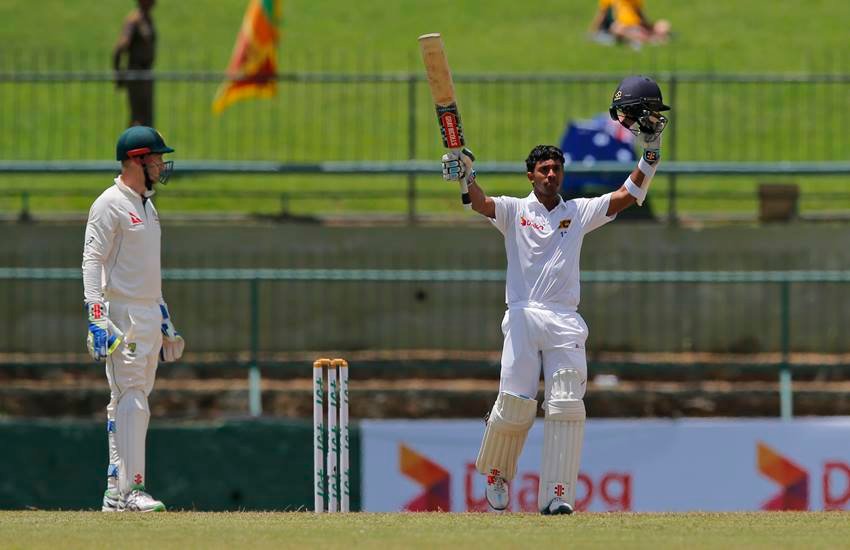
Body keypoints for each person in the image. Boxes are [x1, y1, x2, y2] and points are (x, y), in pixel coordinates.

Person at [441, 76, 669, 515]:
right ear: (531, 176)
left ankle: (556, 496)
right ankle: (498, 474)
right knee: (515, 404)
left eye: (556, 169)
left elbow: (630, 194)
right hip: (524, 318)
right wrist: (464, 176)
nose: (550, 174)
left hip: (564, 320)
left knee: (566, 403)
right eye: (543, 169)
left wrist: (651, 155)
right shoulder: (513, 210)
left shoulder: (578, 213)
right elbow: (480, 202)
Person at [83, 125, 185, 512]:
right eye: (155, 157)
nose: (161, 164)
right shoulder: (109, 203)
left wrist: (164, 319)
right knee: (133, 400)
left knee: (125, 402)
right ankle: (133, 490)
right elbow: (92, 261)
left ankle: (114, 491)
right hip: (121, 313)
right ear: (134, 161)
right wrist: (96, 317)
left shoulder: (148, 206)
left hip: (145, 312)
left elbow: (148, 272)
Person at [113, 0, 158, 126]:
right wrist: (118, 75)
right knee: (139, 118)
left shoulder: (147, 19)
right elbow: (119, 48)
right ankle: (134, 144)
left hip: (146, 74)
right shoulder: (133, 20)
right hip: (136, 74)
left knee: (148, 118)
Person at [588, 0, 671, 49]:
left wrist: (649, 26)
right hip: (622, 26)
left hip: (637, 25)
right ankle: (650, 39)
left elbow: (640, 14)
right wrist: (593, 29)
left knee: (663, 25)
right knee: (617, 28)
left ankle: (648, 37)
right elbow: (602, 13)